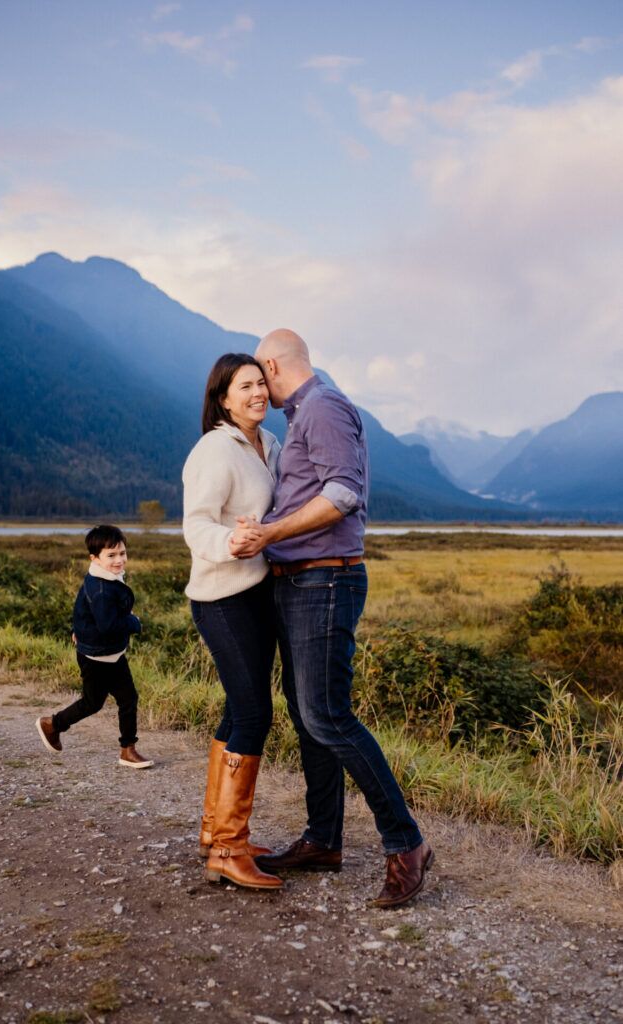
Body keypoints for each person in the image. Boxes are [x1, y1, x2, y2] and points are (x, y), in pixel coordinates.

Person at [230, 329, 433, 909]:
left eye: (257, 375)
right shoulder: (304, 414)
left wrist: (268, 533)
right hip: (300, 581)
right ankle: (323, 840)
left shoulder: (323, 406)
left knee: (328, 715)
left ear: (271, 364)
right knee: (308, 715)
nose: (257, 387)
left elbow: (344, 493)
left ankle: (407, 843)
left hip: (326, 577)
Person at [182, 353, 283, 891]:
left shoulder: (268, 446)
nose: (258, 393)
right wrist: (230, 541)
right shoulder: (215, 449)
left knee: (237, 710)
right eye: (246, 386)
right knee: (253, 713)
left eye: (262, 384)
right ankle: (228, 846)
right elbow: (196, 524)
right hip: (222, 597)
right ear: (223, 398)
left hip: (255, 595)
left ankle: (213, 828)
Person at [36, 524, 153, 769]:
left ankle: (124, 749)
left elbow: (81, 608)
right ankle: (55, 725)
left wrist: (77, 629)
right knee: (112, 700)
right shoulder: (101, 588)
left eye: (122, 553)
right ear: (95, 558)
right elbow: (108, 625)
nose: (119, 559)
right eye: (111, 555)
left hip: (106, 652)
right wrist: (134, 622)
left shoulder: (100, 577)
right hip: (99, 657)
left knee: (110, 700)